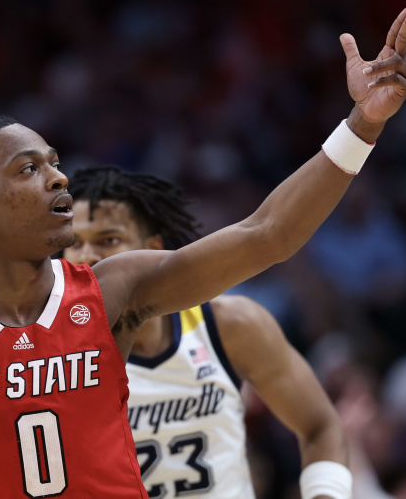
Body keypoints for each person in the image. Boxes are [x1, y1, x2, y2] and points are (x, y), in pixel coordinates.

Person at [0, 6, 406, 499]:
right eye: (28, 169)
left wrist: (361, 126)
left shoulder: (114, 290)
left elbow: (268, 235)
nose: (60, 179)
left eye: (56, 164)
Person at [62, 166, 346, 498]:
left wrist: (325, 493)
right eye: (73, 243)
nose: (86, 257)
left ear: (152, 248)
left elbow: (320, 424)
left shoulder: (230, 325)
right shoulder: (57, 355)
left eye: (108, 239)